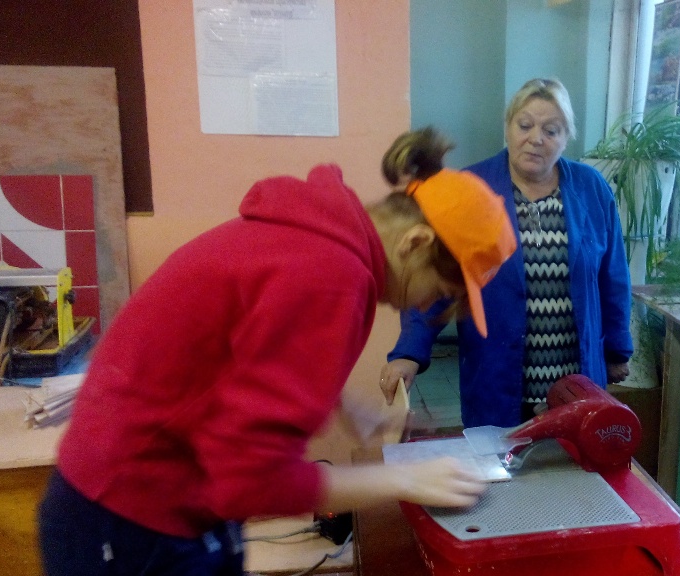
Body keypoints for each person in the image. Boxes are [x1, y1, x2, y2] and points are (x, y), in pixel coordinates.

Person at [37, 127, 517, 576]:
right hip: (127, 518)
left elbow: (247, 351)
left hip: (123, 498)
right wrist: (406, 480)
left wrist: (345, 404)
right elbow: (251, 483)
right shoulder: (331, 275)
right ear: (415, 243)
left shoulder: (316, 241)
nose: (429, 306)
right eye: (442, 292)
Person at [380, 78, 633, 428]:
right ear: (508, 127)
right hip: (495, 375)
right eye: (525, 125)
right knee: (498, 460)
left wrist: (617, 350)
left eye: (551, 130)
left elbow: (613, 277)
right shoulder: (472, 188)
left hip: (576, 380)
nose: (536, 138)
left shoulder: (591, 188)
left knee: (572, 458)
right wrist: (409, 352)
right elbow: (436, 275)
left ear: (566, 137)